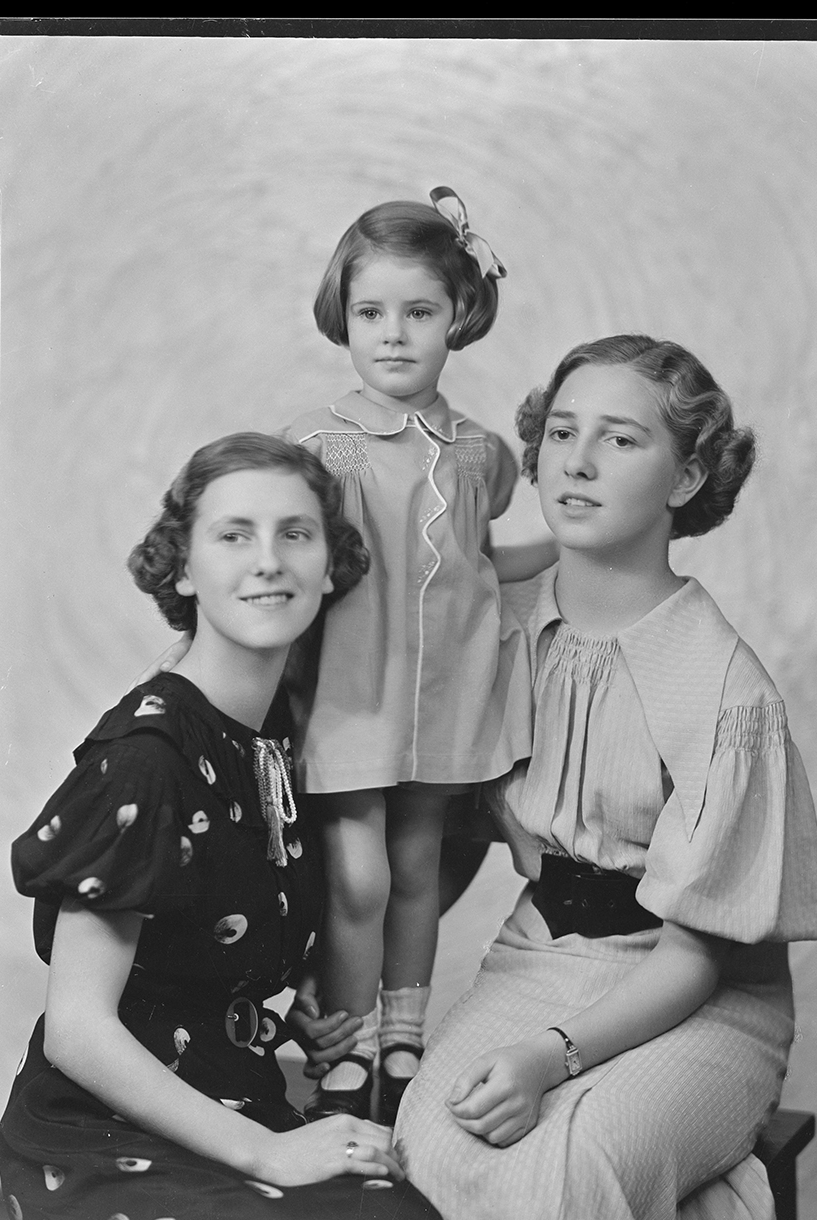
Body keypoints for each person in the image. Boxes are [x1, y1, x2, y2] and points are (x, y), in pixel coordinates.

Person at [393, 335, 817, 1220]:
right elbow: (440, 832)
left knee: (571, 1165)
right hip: (539, 959)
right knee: (430, 1141)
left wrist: (551, 1059)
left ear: (687, 476)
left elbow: (699, 957)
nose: (574, 462)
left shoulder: (724, 691)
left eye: (619, 439)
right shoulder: (495, 628)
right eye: (560, 433)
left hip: (701, 998)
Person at [0, 434, 467, 1220]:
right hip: (99, 1146)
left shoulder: (270, 739)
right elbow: (81, 1028)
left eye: (296, 535)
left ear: (331, 567)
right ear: (183, 570)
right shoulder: (150, 757)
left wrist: (281, 1013)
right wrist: (274, 1152)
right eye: (234, 535)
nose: (267, 561)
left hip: (223, 1096)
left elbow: (192, 942)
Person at [275, 186, 543, 1125]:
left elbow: (476, 560)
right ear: (342, 318)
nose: (393, 334)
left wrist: (574, 547)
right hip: (354, 694)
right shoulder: (317, 448)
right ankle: (344, 1043)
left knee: (421, 865)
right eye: (371, 313)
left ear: (458, 316)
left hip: (447, 697)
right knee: (361, 875)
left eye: (418, 312)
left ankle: (403, 1032)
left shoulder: (479, 454)